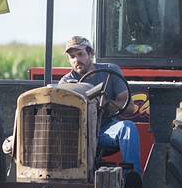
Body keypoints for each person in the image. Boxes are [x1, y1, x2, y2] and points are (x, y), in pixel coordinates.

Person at [59, 36, 143, 176]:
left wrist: (108, 104)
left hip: (105, 131)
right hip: (78, 135)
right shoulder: (65, 83)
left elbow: (130, 107)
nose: (76, 60)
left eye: (80, 54)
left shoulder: (110, 71)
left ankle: (132, 177)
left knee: (127, 128)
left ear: (91, 54)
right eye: (72, 56)